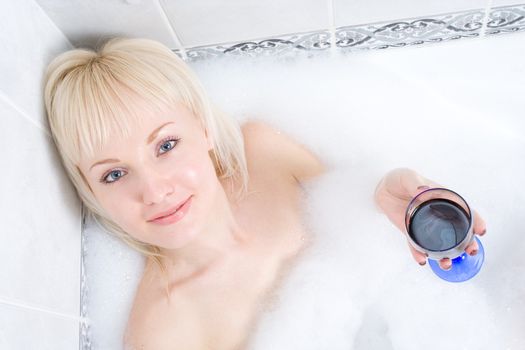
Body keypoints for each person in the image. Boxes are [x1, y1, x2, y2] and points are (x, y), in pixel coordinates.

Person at [43, 38, 486, 350]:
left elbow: (350, 190)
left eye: (166, 145)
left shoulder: (266, 152)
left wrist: (388, 191)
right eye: (115, 175)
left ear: (204, 129)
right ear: (91, 193)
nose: (155, 190)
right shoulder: (163, 333)